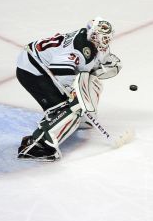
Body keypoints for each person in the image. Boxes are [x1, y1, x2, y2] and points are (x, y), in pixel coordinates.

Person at [16, 18, 122, 161]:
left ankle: (81, 118)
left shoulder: (88, 41)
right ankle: (37, 145)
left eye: (107, 38)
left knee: (92, 83)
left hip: (45, 66)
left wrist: (105, 64)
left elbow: (89, 64)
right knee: (71, 107)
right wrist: (74, 93)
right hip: (33, 71)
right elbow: (60, 69)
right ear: (94, 35)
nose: (105, 42)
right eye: (103, 38)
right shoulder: (80, 47)